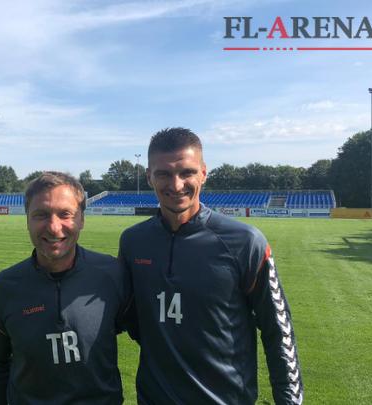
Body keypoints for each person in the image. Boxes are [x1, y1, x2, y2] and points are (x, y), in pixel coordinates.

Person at [119, 128, 303, 405]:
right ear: (149, 177)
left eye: (187, 172)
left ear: (204, 173)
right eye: (163, 174)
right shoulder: (133, 242)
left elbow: (278, 330)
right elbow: (130, 317)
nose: (176, 185)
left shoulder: (245, 242)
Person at [0, 171, 128, 405]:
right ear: (27, 220)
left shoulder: (112, 275)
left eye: (65, 214)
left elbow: (153, 340)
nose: (53, 227)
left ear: (82, 219)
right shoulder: (5, 288)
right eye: (41, 215)